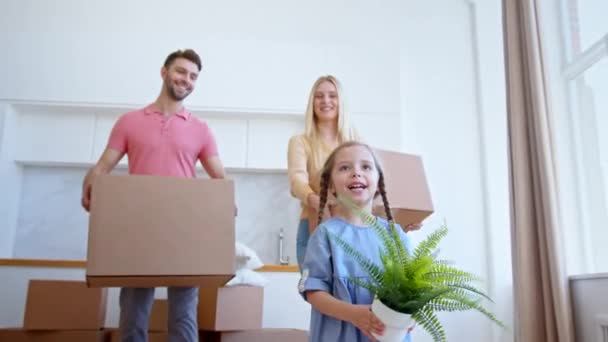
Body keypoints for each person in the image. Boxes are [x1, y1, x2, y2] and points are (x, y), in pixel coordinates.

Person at [81, 49, 227, 342]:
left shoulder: (201, 130)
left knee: (184, 314)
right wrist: (91, 183)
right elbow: (102, 167)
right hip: (139, 229)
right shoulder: (129, 121)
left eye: (193, 76)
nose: (186, 80)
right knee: (134, 311)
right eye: (181, 72)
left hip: (184, 231)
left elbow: (220, 181)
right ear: (164, 72)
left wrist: (225, 207)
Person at [298, 141, 414, 342]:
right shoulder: (324, 235)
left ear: (379, 182)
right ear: (331, 185)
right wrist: (354, 314)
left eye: (366, 167)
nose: (356, 173)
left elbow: (411, 290)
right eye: (345, 167)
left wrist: (410, 315)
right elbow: (313, 291)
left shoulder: (395, 235)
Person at [287, 75, 359, 270]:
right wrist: (314, 199)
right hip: (314, 225)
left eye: (332, 96)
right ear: (312, 103)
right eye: (319, 96)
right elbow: (296, 180)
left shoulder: (355, 144)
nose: (325, 101)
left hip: (351, 229)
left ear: (340, 101)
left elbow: (372, 190)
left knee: (353, 297)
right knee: (320, 297)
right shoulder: (300, 142)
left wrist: (399, 220)